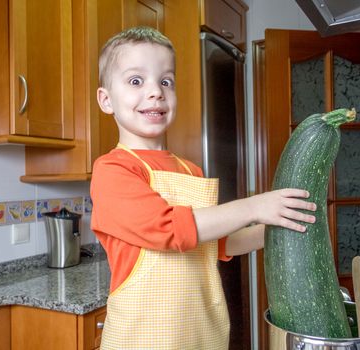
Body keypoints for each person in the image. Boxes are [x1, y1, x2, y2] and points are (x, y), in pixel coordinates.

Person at [90, 26, 316, 350]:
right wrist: (254, 206)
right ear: (106, 99)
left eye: (165, 81)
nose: (155, 91)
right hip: (141, 340)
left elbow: (215, 242)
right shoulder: (113, 170)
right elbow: (169, 229)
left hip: (202, 335)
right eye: (136, 81)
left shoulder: (189, 170)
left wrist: (279, 226)